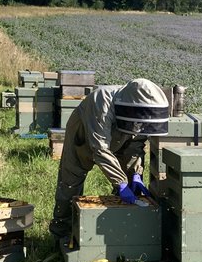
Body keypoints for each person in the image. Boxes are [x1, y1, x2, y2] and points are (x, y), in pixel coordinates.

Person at [49, 78, 170, 241]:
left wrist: (135, 174)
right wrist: (120, 182)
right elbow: (100, 148)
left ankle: (122, 230)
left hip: (122, 135)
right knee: (70, 182)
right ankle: (62, 232)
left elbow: (137, 143)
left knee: (131, 187)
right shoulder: (102, 100)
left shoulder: (138, 110)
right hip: (84, 135)